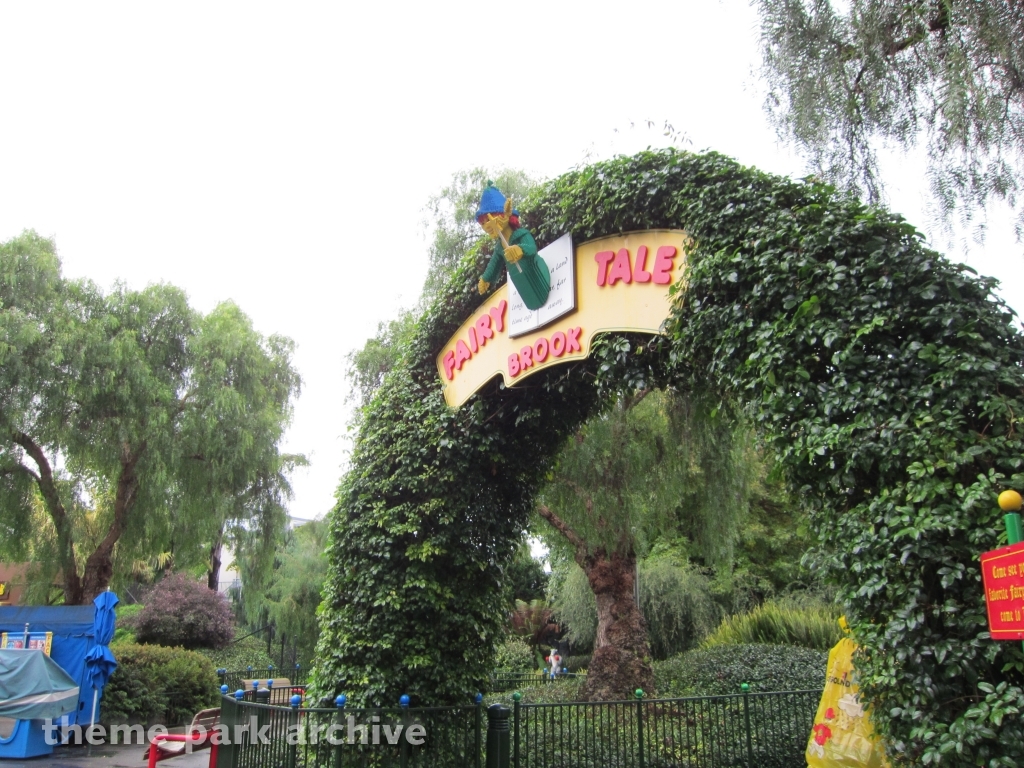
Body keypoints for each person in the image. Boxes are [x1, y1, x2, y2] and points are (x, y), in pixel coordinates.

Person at [476, 182, 550, 311]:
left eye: (489, 219)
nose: (486, 225)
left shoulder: (522, 234)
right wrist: (486, 278)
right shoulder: (500, 248)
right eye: (483, 223)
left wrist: (520, 249)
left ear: (505, 214)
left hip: (537, 275)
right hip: (521, 283)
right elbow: (494, 265)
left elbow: (531, 248)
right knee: (532, 302)